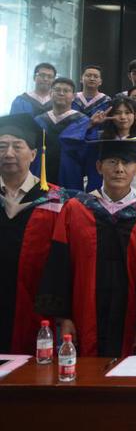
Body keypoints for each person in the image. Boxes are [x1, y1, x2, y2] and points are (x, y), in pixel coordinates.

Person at [36, 139, 136, 357]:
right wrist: (63, 318)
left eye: (126, 163)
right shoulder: (75, 209)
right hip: (83, 317)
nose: (119, 169)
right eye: (112, 162)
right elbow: (60, 265)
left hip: (132, 322)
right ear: (98, 167)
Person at [0, 114, 70, 354]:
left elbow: (64, 262)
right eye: (2, 146)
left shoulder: (56, 200)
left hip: (37, 303)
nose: (9, 153)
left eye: (17, 146)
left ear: (33, 154)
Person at [33, 77, 89, 190]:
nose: (61, 93)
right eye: (57, 90)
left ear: (73, 96)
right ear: (50, 93)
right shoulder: (38, 121)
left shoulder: (83, 121)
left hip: (70, 176)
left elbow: (87, 155)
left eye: (66, 91)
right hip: (40, 176)